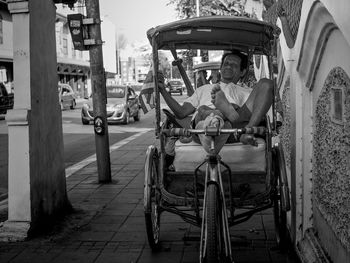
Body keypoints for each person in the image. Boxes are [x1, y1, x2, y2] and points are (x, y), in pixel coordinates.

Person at [159, 50, 273, 157]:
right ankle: (219, 116)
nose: (228, 66)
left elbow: (259, 113)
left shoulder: (248, 92)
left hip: (234, 129)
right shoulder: (203, 89)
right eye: (226, 63)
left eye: (233, 65)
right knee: (204, 110)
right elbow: (180, 113)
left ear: (242, 71)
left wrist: (241, 114)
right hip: (202, 127)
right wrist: (163, 90)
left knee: (266, 84)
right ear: (221, 67)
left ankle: (240, 126)